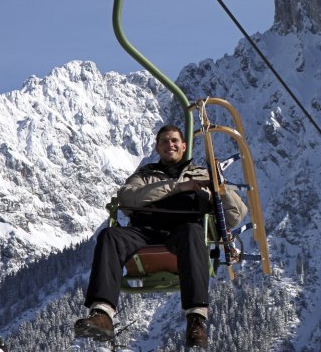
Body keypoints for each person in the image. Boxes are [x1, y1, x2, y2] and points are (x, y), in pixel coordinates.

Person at [73, 124, 247, 348]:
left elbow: (236, 215)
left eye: (174, 140)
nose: (170, 145)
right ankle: (103, 314)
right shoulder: (145, 175)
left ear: (184, 147)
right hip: (146, 232)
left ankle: (196, 319)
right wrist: (179, 187)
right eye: (164, 141)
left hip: (182, 234)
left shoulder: (202, 175)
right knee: (110, 236)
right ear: (157, 147)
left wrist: (220, 189)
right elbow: (128, 199)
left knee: (193, 232)